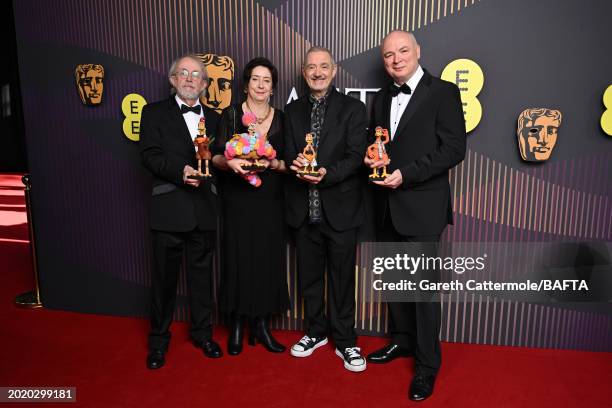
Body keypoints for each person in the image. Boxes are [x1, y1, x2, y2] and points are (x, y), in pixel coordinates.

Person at [365, 31, 466, 400]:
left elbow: (454, 149)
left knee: (422, 292)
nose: (396, 59)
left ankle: (427, 365)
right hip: (386, 206)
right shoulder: (379, 99)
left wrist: (407, 174)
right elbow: (375, 144)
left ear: (418, 51)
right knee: (396, 285)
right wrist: (369, 157)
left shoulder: (443, 92)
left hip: (422, 206)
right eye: (389, 55)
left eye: (403, 51)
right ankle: (402, 342)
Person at [284, 46, 368, 372]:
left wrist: (326, 175)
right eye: (311, 68)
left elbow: (355, 155)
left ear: (334, 72)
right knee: (309, 278)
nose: (317, 72)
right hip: (304, 210)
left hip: (341, 209)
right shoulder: (291, 112)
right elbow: (290, 151)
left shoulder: (353, 109)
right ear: (304, 73)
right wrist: (298, 166)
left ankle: (346, 340)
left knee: (342, 278)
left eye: (324, 67)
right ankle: (316, 331)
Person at [139, 54, 223, 369]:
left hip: (204, 208)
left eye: (196, 75)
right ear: (173, 80)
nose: (189, 79)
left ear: (204, 83)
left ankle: (203, 334)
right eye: (183, 73)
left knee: (202, 279)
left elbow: (223, 157)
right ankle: (158, 341)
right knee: (163, 281)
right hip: (168, 209)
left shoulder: (217, 118)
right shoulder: (153, 113)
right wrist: (181, 170)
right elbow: (149, 155)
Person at [212, 57, 289, 355]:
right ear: (246, 84)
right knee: (238, 258)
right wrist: (230, 163)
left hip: (270, 200)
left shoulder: (282, 118)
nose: (260, 85)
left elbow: (288, 163)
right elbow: (217, 157)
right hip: (238, 197)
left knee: (266, 260)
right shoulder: (230, 115)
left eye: (266, 80)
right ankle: (237, 325)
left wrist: (274, 163)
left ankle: (261, 325)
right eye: (255, 79)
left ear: (272, 88)